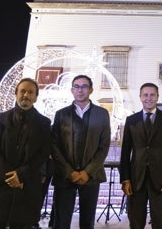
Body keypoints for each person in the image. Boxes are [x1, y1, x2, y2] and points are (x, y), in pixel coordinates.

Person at [0, 78, 51, 229]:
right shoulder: (0, 120)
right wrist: (9, 176)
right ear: (15, 94)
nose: (26, 95)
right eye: (22, 91)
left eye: (30, 92)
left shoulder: (44, 123)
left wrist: (21, 174)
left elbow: (42, 153)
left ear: (36, 97)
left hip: (26, 186)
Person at [50, 74, 111, 229]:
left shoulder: (102, 114)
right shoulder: (61, 114)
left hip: (91, 176)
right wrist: (69, 172)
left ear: (90, 89)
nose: (80, 90)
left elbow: (103, 146)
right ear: (72, 90)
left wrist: (87, 172)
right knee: (61, 221)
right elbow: (54, 146)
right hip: (65, 175)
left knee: (87, 221)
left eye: (84, 86)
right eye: (76, 86)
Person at [119, 82, 162, 229]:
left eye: (152, 95)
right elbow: (125, 152)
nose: (149, 98)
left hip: (161, 180)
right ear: (140, 97)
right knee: (136, 222)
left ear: (158, 97)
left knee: (159, 222)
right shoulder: (131, 120)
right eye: (145, 95)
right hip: (135, 179)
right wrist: (125, 179)